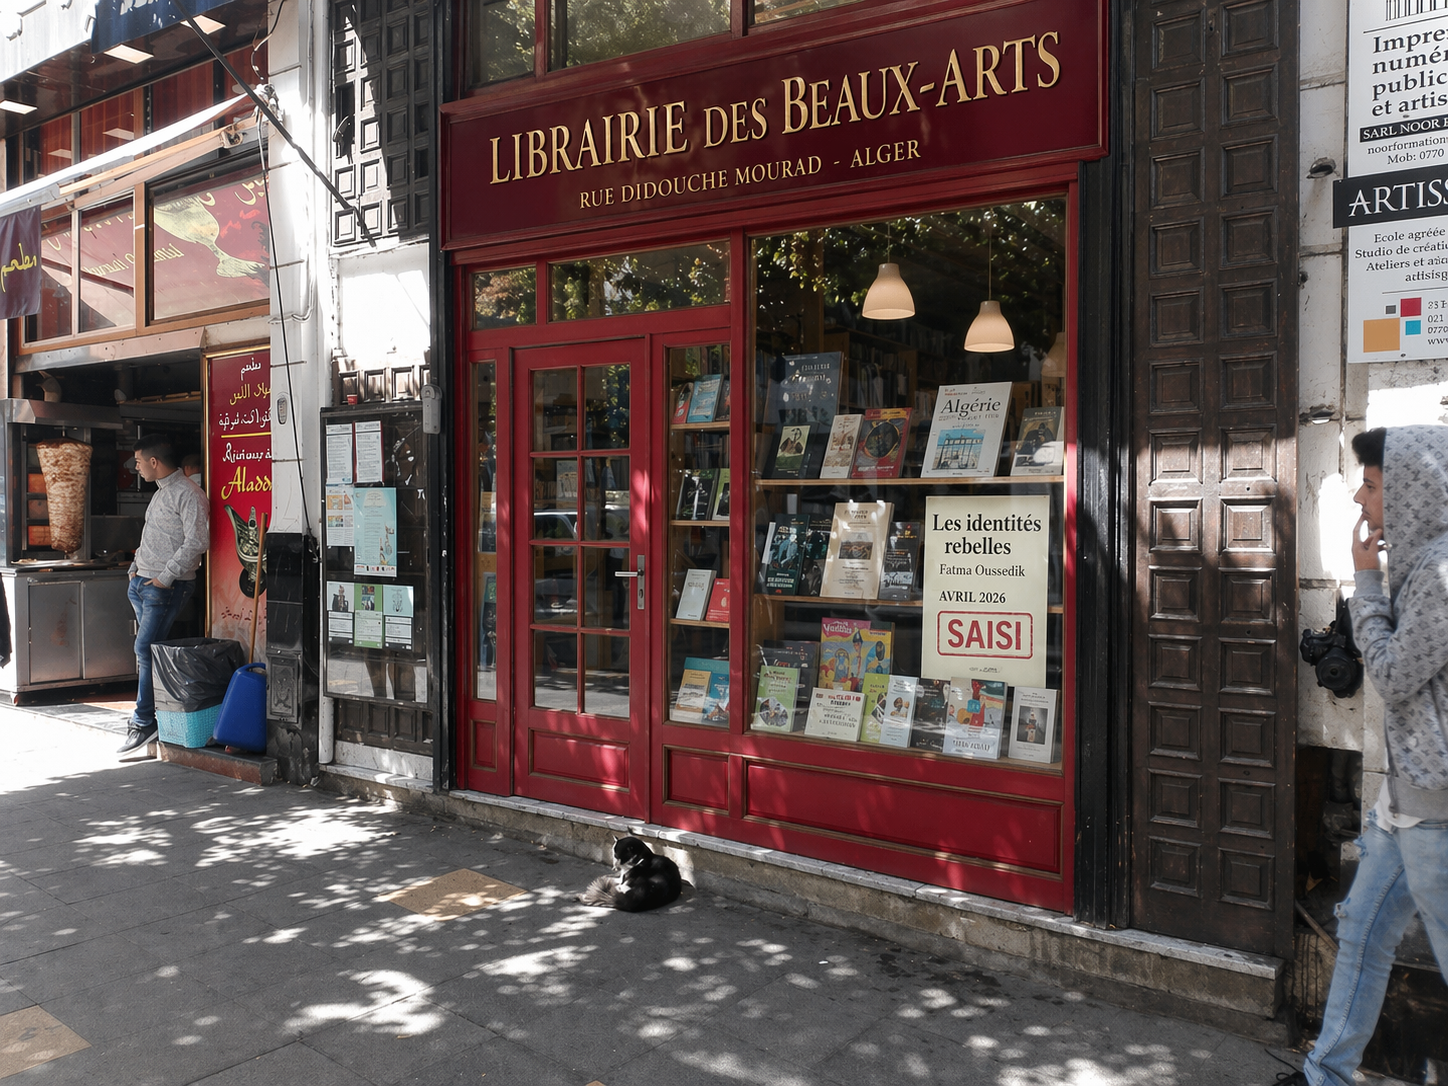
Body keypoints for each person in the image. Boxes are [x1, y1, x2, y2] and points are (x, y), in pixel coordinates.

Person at [1276, 426, 1448, 1086]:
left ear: (1410, 494)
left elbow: (1396, 675)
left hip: (1435, 813)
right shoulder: (1423, 563)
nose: (1359, 497)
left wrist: (1366, 584)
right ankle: (1327, 1073)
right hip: (1404, 804)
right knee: (1362, 934)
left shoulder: (1439, 574)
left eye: (1371, 486)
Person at [118, 435, 210, 755]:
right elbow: (152, 536)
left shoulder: (189, 493)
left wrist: (165, 577)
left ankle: (144, 722)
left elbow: (197, 541)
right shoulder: (160, 493)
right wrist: (135, 568)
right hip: (143, 584)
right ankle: (156, 717)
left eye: (139, 462)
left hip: (165, 587)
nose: (137, 468)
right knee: (148, 652)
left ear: (154, 462)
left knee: (144, 648)